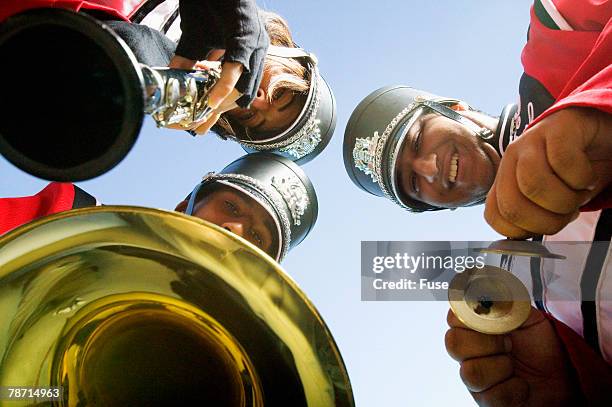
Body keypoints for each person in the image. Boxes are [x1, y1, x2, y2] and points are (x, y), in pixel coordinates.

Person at [343, 0, 611, 404]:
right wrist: (568, 384)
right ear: (437, 208)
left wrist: (598, 107)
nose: (430, 168)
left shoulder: (556, 33)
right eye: (414, 184)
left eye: (418, 140)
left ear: (454, 109)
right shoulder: (525, 298)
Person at [0, 0, 336, 164]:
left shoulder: (139, 82)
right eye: (283, 95)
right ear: (287, 53)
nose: (258, 100)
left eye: (251, 117)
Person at [0, 153, 317, 262]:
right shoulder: (70, 219)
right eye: (232, 207)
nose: (235, 231)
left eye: (257, 239)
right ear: (183, 207)